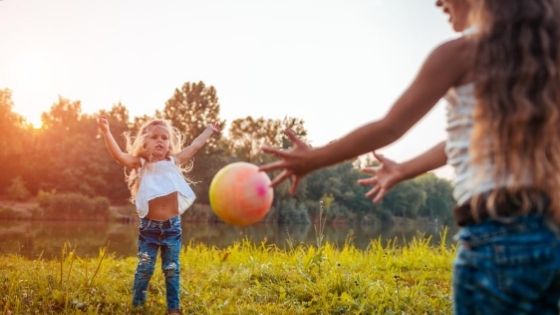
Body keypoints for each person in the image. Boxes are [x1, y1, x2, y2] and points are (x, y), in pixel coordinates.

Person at [260, 0, 560, 313]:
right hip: (549, 238)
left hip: (494, 240)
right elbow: (462, 142)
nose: (437, 2)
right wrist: (404, 169)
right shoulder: (542, 64)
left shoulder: (458, 54)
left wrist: (313, 159)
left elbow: (390, 127)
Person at [98, 116, 220, 314]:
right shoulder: (141, 164)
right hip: (149, 229)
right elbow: (119, 155)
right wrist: (106, 132)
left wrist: (209, 130)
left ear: (169, 143)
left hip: (172, 227)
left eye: (164, 137)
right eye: (155, 137)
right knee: (145, 268)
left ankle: (173, 308)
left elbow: (195, 146)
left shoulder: (174, 161)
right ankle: (138, 304)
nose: (160, 140)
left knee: (171, 268)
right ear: (145, 143)